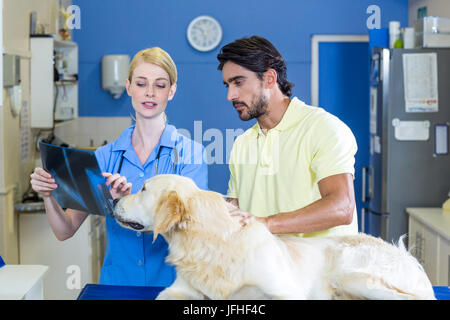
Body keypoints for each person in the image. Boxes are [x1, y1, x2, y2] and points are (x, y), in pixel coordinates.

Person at [30, 47, 208, 287]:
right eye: (141, 83)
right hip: (117, 286)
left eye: (160, 85)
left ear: (172, 91)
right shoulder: (104, 157)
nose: (150, 93)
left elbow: (192, 232)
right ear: (129, 87)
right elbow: (65, 230)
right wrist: (48, 196)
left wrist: (124, 206)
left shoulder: (190, 154)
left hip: (173, 287)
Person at [217, 36, 358, 237]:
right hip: (265, 267)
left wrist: (264, 224)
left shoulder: (322, 127)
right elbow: (234, 212)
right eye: (227, 85)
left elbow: (342, 207)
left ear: (270, 78)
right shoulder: (242, 144)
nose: (230, 95)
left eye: (238, 82)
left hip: (323, 267)